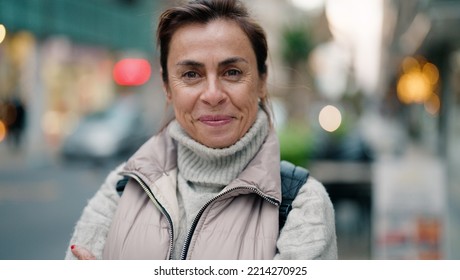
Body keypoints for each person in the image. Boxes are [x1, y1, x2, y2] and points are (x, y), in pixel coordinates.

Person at [65, 0, 337, 260]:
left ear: (262, 80)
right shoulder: (123, 187)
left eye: (231, 72)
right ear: (167, 88)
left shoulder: (301, 204)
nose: (212, 95)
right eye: (191, 75)